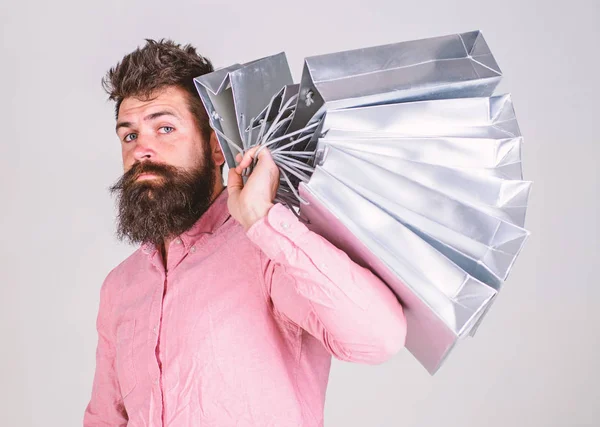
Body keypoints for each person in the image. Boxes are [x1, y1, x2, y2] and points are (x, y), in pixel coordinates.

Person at [83, 39, 407, 427]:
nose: (141, 150)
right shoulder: (119, 287)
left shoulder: (268, 248)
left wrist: (264, 220)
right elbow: (105, 418)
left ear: (216, 147)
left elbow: (379, 338)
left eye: (164, 128)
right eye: (130, 135)